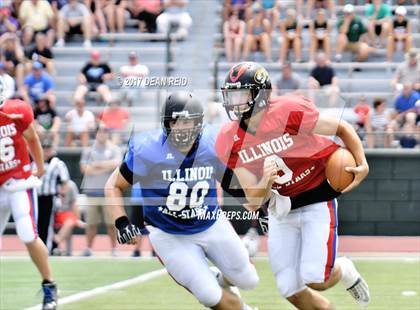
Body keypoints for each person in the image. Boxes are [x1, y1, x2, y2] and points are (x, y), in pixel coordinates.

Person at [216, 62, 370, 310]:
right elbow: (254, 200)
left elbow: (342, 127)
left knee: (316, 279)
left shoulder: (288, 110)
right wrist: (265, 181)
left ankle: (345, 269)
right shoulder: (229, 139)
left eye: (241, 95)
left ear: (261, 94)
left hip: (316, 196)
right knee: (290, 289)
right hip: (282, 209)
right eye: (231, 95)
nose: (234, 102)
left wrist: (362, 163)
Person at [105, 91, 259, 310]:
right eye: (178, 121)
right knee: (209, 296)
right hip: (168, 233)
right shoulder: (147, 149)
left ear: (199, 123)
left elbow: (230, 182)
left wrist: (257, 207)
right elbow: (113, 186)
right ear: (167, 123)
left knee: (249, 280)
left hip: (210, 223)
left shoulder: (212, 144)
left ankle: (220, 278)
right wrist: (121, 222)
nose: (183, 127)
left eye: (189, 121)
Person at [0, 78, 58, 309]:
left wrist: (40, 168)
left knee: (27, 233)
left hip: (18, 183)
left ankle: (49, 285)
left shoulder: (16, 111)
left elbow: (32, 137)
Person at [80, 126, 122, 257]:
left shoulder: (114, 149)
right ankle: (88, 249)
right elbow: (85, 169)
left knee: (111, 224)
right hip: (92, 192)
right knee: (91, 224)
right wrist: (106, 166)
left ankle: (114, 249)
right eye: (99, 132)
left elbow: (117, 164)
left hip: (108, 192)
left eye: (104, 132)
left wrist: (97, 164)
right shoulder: (88, 150)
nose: (102, 134)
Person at [36, 135, 71, 253]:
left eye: (48, 148)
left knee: (47, 224)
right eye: (44, 148)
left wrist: (62, 197)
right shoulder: (35, 160)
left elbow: (65, 181)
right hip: (36, 197)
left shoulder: (57, 163)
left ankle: (47, 248)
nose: (46, 151)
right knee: (37, 223)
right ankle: (38, 248)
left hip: (49, 197)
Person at [53, 179, 86, 256]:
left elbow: (75, 203)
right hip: (54, 214)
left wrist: (77, 219)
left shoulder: (71, 185)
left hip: (67, 215)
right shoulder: (52, 184)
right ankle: (55, 245)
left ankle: (57, 244)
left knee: (70, 222)